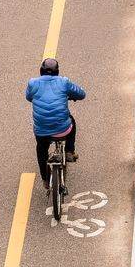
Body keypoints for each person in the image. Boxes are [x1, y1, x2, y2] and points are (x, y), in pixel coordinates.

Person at [26, 57, 86, 186]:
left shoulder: (32, 83)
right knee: (72, 121)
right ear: (57, 71)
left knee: (41, 151)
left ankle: (46, 180)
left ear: (40, 70)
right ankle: (69, 151)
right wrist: (71, 96)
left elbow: (29, 97)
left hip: (41, 131)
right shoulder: (64, 82)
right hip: (63, 129)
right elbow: (81, 94)